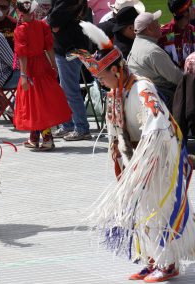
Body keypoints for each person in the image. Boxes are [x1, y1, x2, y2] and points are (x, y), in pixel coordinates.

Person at [72, 21, 195, 283]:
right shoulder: (118, 92)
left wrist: (144, 161)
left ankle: (168, 263)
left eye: (103, 76)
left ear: (116, 70)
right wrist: (124, 160)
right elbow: (118, 133)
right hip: (141, 158)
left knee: (161, 208)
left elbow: (158, 127)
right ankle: (152, 259)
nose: (101, 82)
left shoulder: (142, 88)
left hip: (159, 157)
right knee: (143, 209)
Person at [13, 0, 71, 150]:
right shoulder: (43, 26)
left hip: (31, 69)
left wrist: (24, 75)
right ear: (33, 11)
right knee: (41, 102)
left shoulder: (20, 30)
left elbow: (23, 55)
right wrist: (53, 64)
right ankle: (35, 138)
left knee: (34, 103)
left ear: (19, 12)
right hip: (43, 65)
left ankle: (46, 138)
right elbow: (49, 48)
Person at [47, 0, 91, 141]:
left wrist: (53, 23)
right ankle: (68, 125)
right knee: (65, 90)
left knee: (70, 90)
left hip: (71, 48)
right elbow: (52, 17)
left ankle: (81, 128)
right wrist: (52, 22)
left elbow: (53, 19)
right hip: (69, 46)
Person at [128, 11, 183, 109]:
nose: (160, 25)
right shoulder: (153, 51)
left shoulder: (136, 44)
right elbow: (177, 78)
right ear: (149, 29)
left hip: (146, 97)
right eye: (157, 23)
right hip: (163, 98)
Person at [159, 0, 195, 69]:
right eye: (191, 5)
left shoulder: (193, 30)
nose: (194, 7)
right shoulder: (162, 35)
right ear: (184, 12)